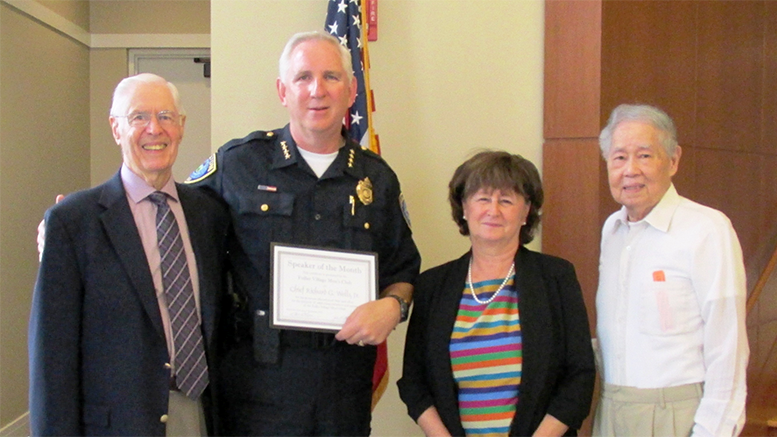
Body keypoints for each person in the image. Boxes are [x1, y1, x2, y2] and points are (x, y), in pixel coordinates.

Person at [184, 31, 421, 435]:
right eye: (303, 77)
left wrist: (393, 307)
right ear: (283, 90)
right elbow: (170, 221)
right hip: (257, 383)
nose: (317, 90)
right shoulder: (239, 165)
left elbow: (403, 268)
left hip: (342, 384)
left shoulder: (376, 178)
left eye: (331, 77)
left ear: (350, 91)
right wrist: (85, 219)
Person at [29, 73, 230, 436]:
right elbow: (51, 359)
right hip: (116, 425)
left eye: (166, 117)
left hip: (198, 415)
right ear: (115, 128)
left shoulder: (209, 214)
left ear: (181, 127)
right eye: (138, 117)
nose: (154, 129)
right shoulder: (74, 222)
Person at [397, 151, 596, 436]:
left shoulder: (556, 277)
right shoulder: (433, 286)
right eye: (482, 198)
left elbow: (579, 378)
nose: (493, 210)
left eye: (506, 200)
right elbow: (414, 383)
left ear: (526, 212)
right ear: (464, 208)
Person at [592, 104, 749, 437]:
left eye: (644, 156)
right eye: (619, 158)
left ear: (673, 160)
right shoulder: (612, 231)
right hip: (611, 409)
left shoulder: (707, 228)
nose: (630, 170)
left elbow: (728, 348)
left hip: (676, 415)